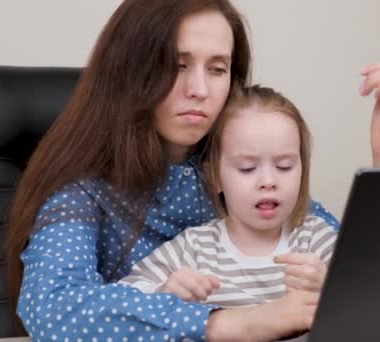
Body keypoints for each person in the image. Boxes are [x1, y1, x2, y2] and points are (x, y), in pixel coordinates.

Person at [4, 0, 380, 340]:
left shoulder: (243, 169)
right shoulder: (82, 191)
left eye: (217, 68)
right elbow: (51, 308)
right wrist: (238, 322)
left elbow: (371, 278)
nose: (200, 90)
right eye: (178, 65)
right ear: (131, 70)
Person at [119, 85, 338, 309]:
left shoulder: (314, 238)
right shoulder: (195, 247)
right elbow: (125, 297)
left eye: (284, 166)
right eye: (247, 168)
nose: (268, 181)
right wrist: (164, 291)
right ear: (215, 177)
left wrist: (327, 284)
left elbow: (365, 299)